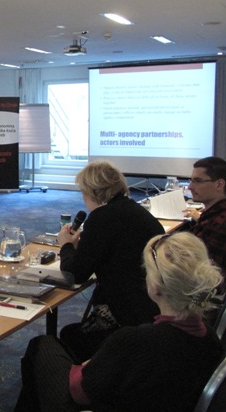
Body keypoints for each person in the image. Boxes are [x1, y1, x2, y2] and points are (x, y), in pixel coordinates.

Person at [15, 232, 224, 412]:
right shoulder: (211, 341)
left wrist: (93, 365)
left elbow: (79, 391)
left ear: (155, 287)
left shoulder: (135, 341)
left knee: (43, 346)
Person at [57, 160, 165, 361]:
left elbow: (74, 274)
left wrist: (66, 245)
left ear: (91, 192)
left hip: (127, 315)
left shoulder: (102, 218)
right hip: (152, 306)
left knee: (69, 337)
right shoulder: (135, 211)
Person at [180, 156, 226, 268]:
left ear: (219, 184)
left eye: (198, 181)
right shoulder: (212, 214)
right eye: (191, 181)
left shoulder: (220, 223)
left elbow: (202, 269)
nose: (190, 187)